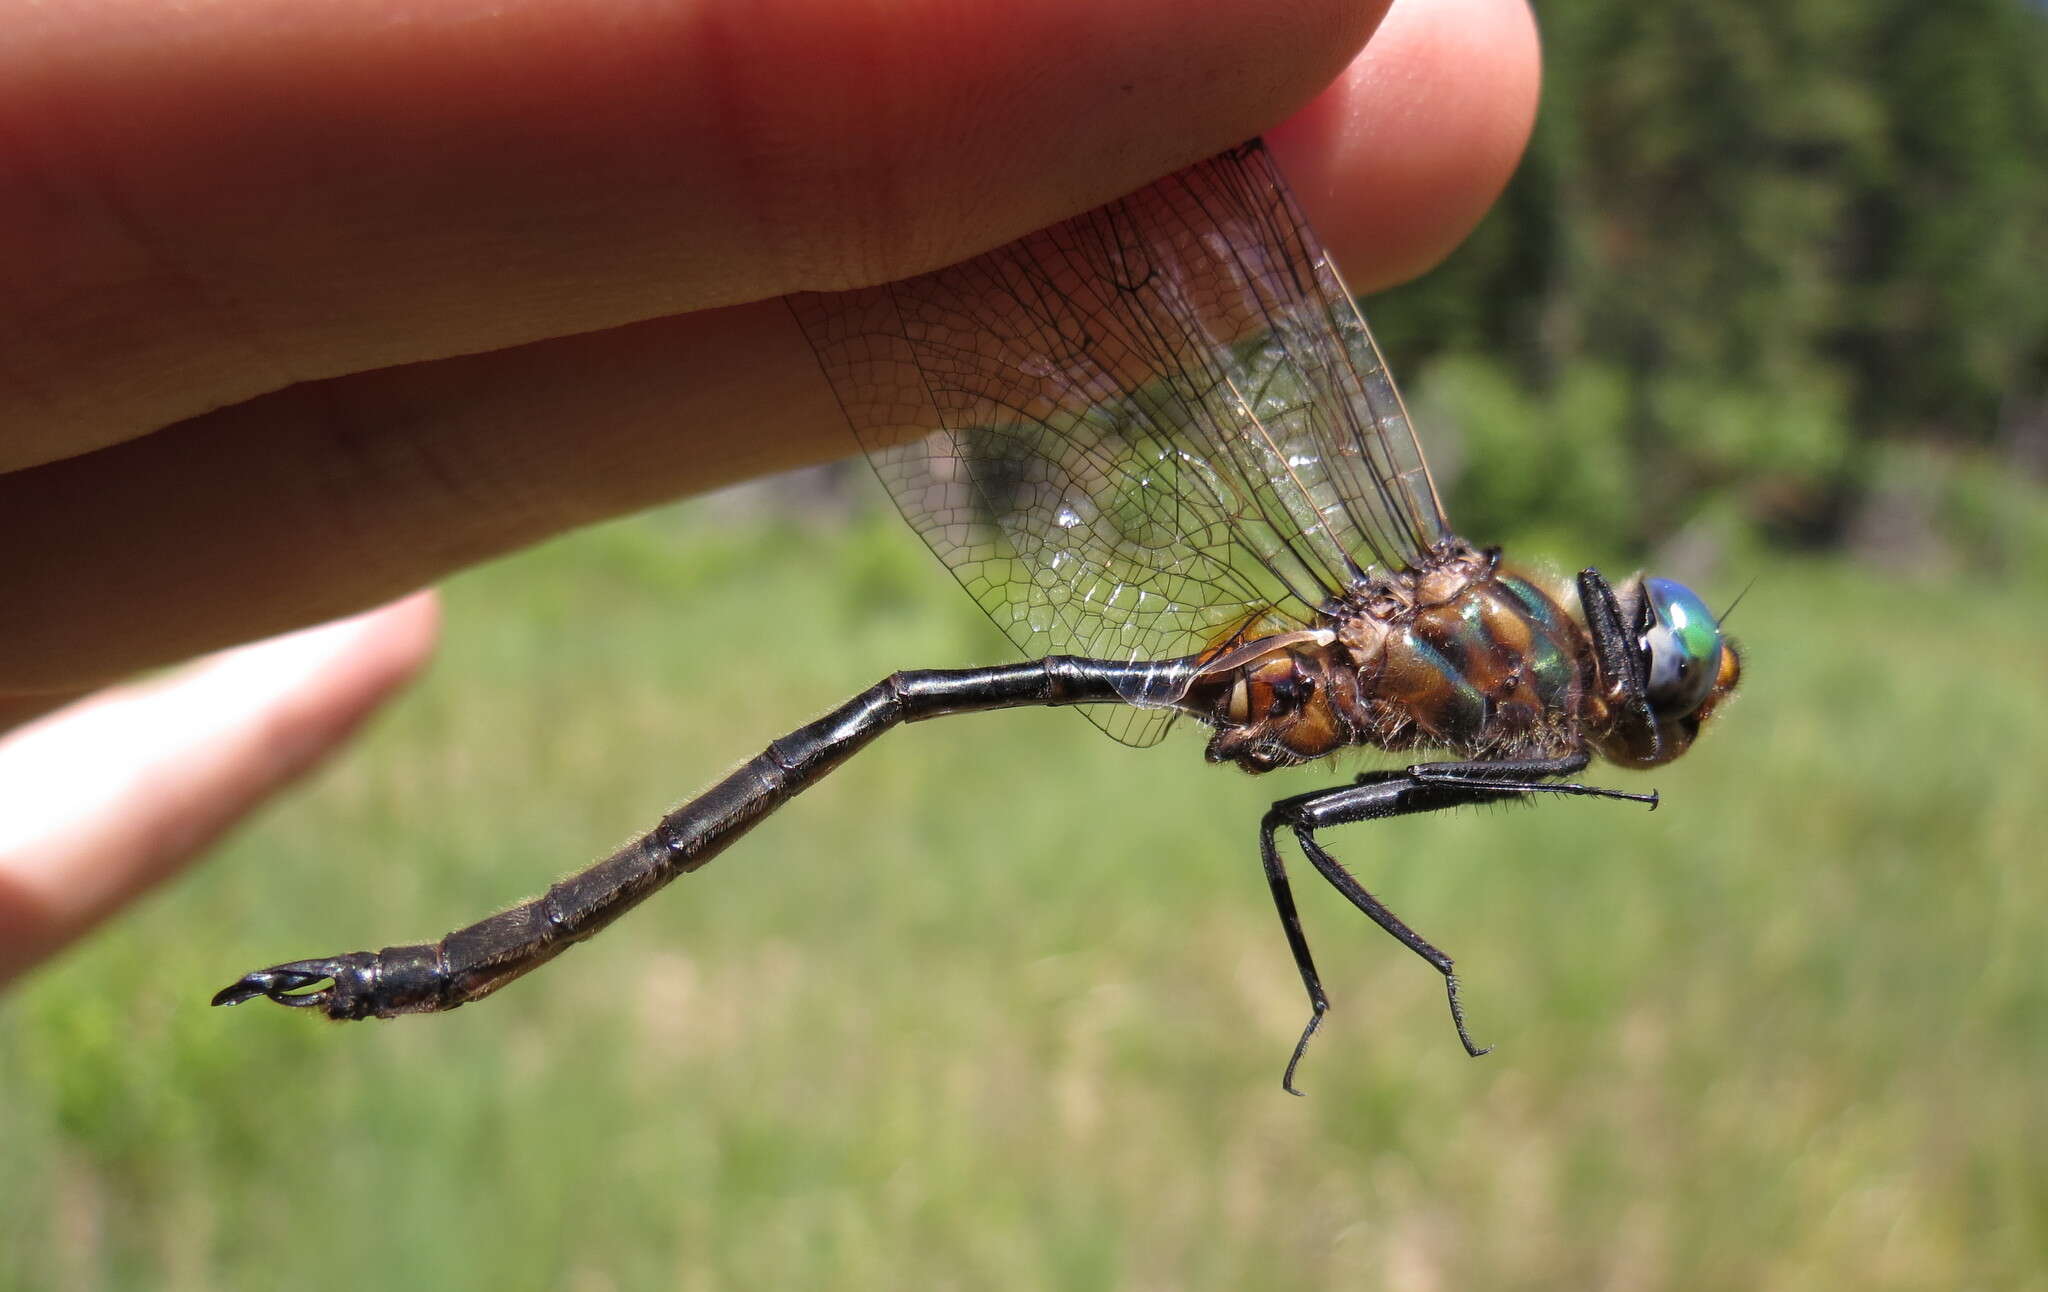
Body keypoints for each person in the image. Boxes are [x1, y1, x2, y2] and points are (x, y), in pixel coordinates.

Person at [0, 0, 1538, 986]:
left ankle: (445, 972)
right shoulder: (1474, 636)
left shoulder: (1477, 661)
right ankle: (459, 967)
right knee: (892, 700)